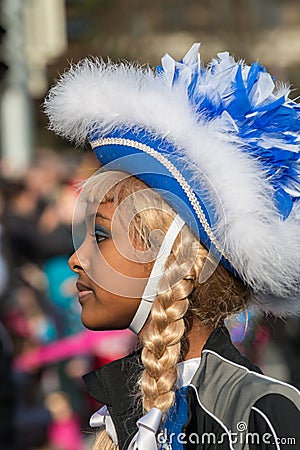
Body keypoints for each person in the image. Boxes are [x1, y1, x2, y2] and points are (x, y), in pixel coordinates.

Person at [44, 44, 300, 449]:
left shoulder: (260, 412)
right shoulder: (120, 404)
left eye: (103, 236)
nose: (76, 259)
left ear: (180, 261)